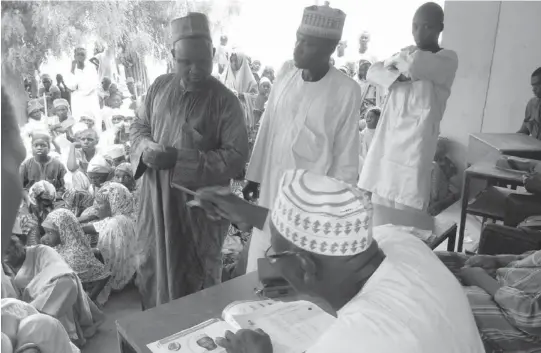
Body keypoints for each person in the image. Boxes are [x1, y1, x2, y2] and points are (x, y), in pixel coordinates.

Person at [196, 169, 485, 353]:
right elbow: (321, 239)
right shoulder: (400, 242)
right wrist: (249, 212)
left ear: (306, 267)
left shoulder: (361, 340)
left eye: (273, 253)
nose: (269, 262)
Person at [130, 12, 249, 309]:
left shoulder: (226, 101)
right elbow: (138, 126)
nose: (195, 70)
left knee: (194, 279)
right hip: (155, 203)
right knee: (152, 265)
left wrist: (179, 159)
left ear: (212, 54)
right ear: (172, 56)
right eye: (185, 62)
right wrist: (144, 146)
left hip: (197, 210)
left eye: (203, 61)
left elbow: (235, 158)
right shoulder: (158, 87)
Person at [243, 3, 361, 272]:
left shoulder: (346, 91)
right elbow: (268, 125)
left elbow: (345, 161)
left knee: (289, 285)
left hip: (307, 209)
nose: (297, 48)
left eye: (307, 44)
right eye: (298, 38)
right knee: (255, 273)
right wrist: (254, 175)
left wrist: (332, 218)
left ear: (329, 49)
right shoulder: (286, 73)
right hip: (271, 195)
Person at [358, 2, 458, 222]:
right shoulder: (407, 53)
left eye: (427, 27)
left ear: (440, 28)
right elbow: (374, 72)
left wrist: (396, 67)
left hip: (415, 148)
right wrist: (400, 69)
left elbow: (414, 67)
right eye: (415, 26)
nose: (419, 33)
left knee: (407, 218)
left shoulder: (447, 58)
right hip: (387, 146)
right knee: (379, 215)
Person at [4, 235, 105, 345]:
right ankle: (33, 322)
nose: (6, 259)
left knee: (66, 282)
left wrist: (36, 289)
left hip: (53, 292)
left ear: (17, 248)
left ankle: (36, 320)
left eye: (8, 253)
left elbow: (60, 270)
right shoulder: (5, 268)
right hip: (30, 302)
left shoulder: (41, 251)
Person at [437, 251, 541, 352]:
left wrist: (481, 279)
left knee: (441, 299)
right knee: (436, 258)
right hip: (505, 280)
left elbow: (531, 318)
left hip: (519, 319)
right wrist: (497, 260)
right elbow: (532, 257)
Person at [79, 182, 138, 305]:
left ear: (114, 202)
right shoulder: (128, 215)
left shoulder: (115, 225)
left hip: (116, 277)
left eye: (100, 203)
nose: (96, 207)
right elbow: (97, 226)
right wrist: (74, 226)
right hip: (131, 272)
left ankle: (93, 296)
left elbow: (107, 258)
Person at [66, 47, 100, 120]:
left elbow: (94, 84)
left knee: (93, 120)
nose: (80, 56)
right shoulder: (71, 69)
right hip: (78, 101)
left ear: (86, 56)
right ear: (74, 56)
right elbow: (70, 87)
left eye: (82, 54)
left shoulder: (91, 67)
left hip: (91, 98)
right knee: (80, 121)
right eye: (78, 54)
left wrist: (79, 88)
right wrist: (72, 69)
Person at [18, 181, 57, 246]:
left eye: (49, 206)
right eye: (45, 205)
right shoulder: (28, 218)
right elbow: (31, 245)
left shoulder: (46, 212)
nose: (47, 209)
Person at [517, 67, 541, 139]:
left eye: (537, 85)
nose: (533, 89)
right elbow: (523, 132)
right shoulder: (532, 104)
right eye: (533, 85)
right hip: (534, 149)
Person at [359, 107, 381, 172]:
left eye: (371, 117)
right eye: (367, 117)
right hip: (365, 162)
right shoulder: (363, 133)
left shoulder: (380, 132)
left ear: (379, 119)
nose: (368, 119)